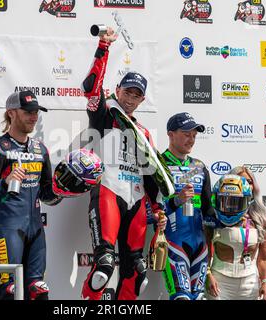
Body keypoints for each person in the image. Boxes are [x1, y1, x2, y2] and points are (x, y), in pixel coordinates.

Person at [80, 27, 166, 300]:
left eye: (136, 95)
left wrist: (158, 210)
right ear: (118, 90)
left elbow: (152, 176)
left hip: (137, 201)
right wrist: (103, 46)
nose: (130, 98)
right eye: (127, 91)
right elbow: (91, 87)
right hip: (108, 192)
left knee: (138, 272)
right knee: (104, 266)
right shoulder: (106, 115)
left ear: (142, 100)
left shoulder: (145, 133)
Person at [0, 90, 62, 300]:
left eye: (36, 112)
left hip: (36, 230)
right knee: (9, 292)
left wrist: (64, 188)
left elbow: (48, 194)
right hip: (6, 229)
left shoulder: (41, 150)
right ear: (11, 113)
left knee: (38, 292)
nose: (33, 116)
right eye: (28, 111)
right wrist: (5, 182)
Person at [156, 112, 214, 300]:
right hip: (173, 242)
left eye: (194, 136)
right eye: (187, 134)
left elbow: (208, 211)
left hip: (199, 244)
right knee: (181, 297)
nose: (191, 140)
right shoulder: (158, 165)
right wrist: (176, 201)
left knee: (198, 297)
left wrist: (230, 218)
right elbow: (149, 210)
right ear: (171, 134)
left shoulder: (200, 167)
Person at [205, 171, 266, 300]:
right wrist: (208, 275)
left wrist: (265, 281)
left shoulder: (262, 220)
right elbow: (205, 254)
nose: (230, 206)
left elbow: (264, 258)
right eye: (225, 201)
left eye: (249, 182)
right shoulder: (212, 219)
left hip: (249, 284)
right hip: (219, 282)